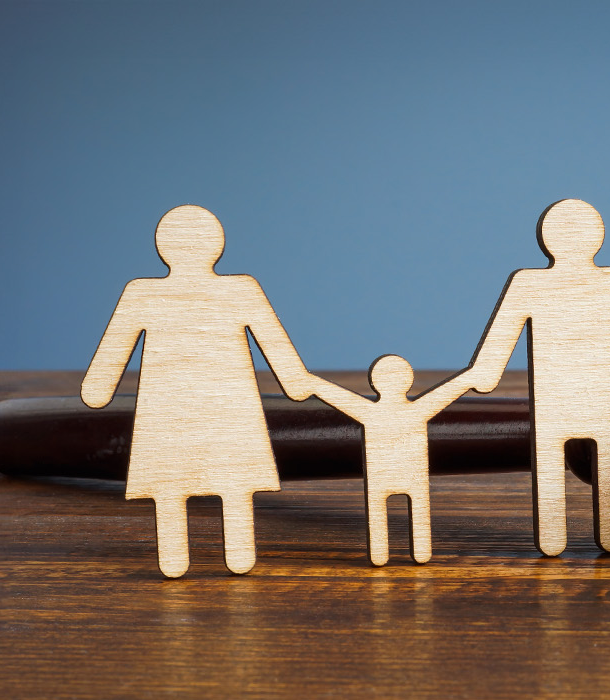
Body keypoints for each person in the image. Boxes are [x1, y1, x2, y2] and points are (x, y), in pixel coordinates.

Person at [80, 205, 319, 577]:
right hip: (226, 407)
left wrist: (99, 388)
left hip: (172, 409)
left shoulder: (142, 294)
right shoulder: (240, 289)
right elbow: (278, 349)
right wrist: (295, 383)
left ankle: (180, 558)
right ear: (217, 245)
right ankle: (230, 556)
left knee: (175, 486)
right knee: (231, 482)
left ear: (163, 247)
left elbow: (110, 358)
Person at [467, 199, 610, 555]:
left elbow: (496, 349)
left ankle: (556, 540)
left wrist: (485, 377)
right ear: (598, 237)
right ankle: (609, 534)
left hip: (556, 399)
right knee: (607, 460)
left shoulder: (529, 283)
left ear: (547, 238)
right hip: (599, 398)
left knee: (552, 465)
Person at [303, 355, 490, 566]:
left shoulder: (371, 410)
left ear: (375, 381)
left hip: (390, 474)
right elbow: (455, 387)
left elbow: (329, 392)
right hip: (404, 474)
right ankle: (411, 552)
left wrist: (307, 383)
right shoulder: (418, 408)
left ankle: (389, 554)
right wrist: (474, 376)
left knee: (384, 511)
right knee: (408, 509)